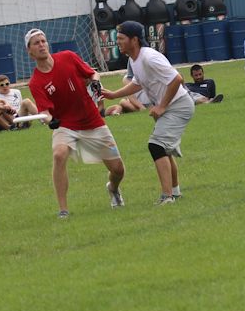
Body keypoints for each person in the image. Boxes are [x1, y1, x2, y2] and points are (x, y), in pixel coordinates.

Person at [26, 28, 125, 217]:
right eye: (36, 43)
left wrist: (95, 82)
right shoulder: (36, 82)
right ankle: (63, 210)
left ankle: (113, 188)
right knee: (59, 155)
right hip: (66, 125)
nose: (41, 45)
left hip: (92, 121)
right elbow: (45, 113)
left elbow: (93, 74)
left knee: (118, 169)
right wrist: (51, 121)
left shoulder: (68, 57)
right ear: (29, 51)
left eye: (43, 41)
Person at [100, 21, 193, 205]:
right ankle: (174, 193)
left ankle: (167, 197)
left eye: (121, 38)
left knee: (156, 146)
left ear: (134, 40)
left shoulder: (149, 57)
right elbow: (137, 83)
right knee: (164, 150)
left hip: (179, 106)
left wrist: (162, 106)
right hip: (171, 106)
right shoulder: (134, 60)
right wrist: (113, 95)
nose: (117, 42)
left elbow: (177, 79)